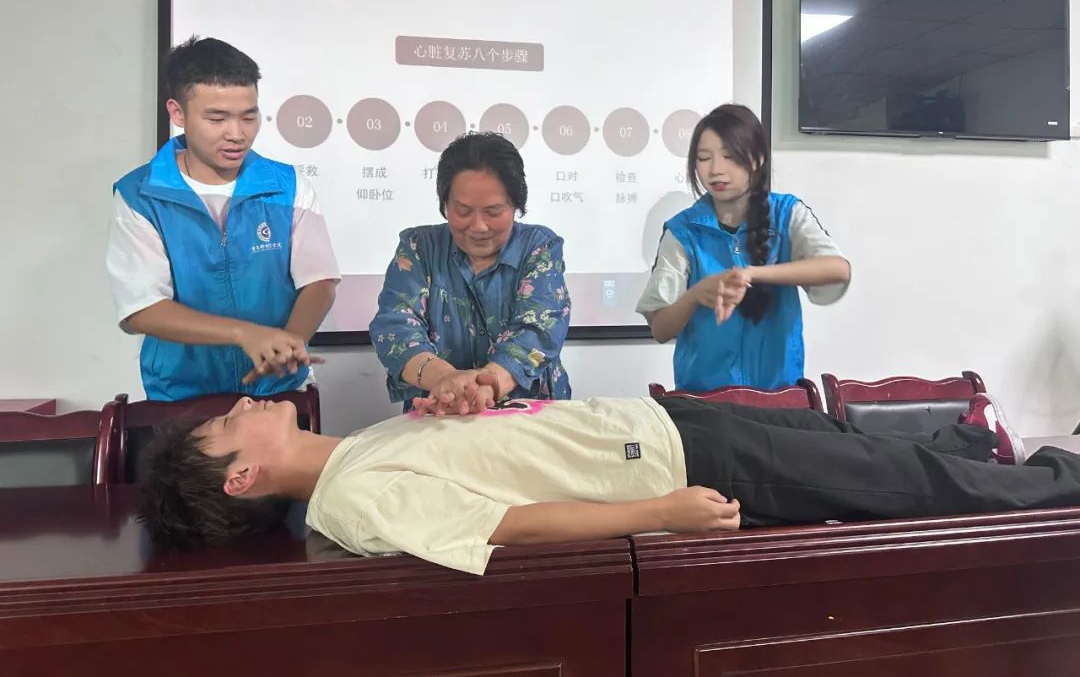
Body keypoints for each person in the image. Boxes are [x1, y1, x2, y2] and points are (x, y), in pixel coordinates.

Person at [139, 389, 1080, 577]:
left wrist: (475, 392)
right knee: (895, 480)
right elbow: (505, 524)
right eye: (227, 425)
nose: (246, 404)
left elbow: (494, 451)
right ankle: (1059, 483)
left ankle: (993, 449)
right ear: (242, 477)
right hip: (678, 469)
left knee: (855, 441)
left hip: (660, 423)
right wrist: (658, 515)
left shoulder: (359, 449)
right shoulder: (352, 500)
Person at [107, 37, 340, 401]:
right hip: (182, 397)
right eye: (217, 118)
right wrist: (244, 334)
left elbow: (319, 282)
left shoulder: (288, 186)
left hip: (279, 393)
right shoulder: (141, 195)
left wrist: (289, 343)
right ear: (177, 113)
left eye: (249, 117)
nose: (237, 134)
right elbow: (141, 309)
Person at [637, 104, 851, 392]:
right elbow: (661, 329)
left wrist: (751, 274)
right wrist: (695, 295)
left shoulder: (787, 213)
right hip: (704, 402)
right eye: (704, 158)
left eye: (729, 156)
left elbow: (837, 268)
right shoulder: (682, 231)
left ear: (758, 158)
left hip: (779, 397)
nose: (715, 170)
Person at [370, 131, 571, 414]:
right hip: (439, 414)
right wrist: (445, 380)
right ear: (445, 204)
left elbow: (538, 329)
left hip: (530, 415)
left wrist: (483, 388)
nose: (478, 226)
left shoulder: (538, 247)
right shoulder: (419, 247)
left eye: (493, 211)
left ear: (516, 205)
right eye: (463, 210)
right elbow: (395, 327)